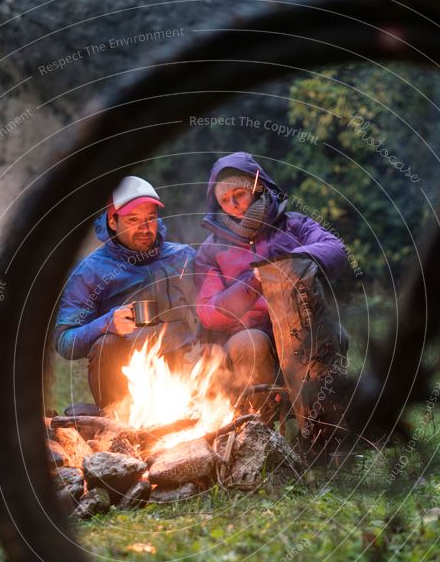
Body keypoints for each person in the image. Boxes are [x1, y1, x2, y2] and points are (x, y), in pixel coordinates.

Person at [195, 152, 349, 448]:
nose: (234, 206)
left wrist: (288, 264)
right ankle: (260, 441)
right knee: (250, 343)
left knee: (333, 335)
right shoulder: (211, 249)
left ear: (258, 186)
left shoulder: (293, 225)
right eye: (225, 201)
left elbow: (335, 249)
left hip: (298, 323)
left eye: (239, 194)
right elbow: (208, 311)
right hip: (248, 335)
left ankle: (324, 437)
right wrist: (254, 282)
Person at [54, 175, 198, 411]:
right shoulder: (90, 271)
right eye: (133, 219)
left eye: (150, 218)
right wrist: (106, 324)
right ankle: (116, 422)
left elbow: (212, 310)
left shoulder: (183, 257)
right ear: (113, 221)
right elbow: (64, 341)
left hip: (189, 374)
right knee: (106, 345)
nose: (144, 228)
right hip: (130, 382)